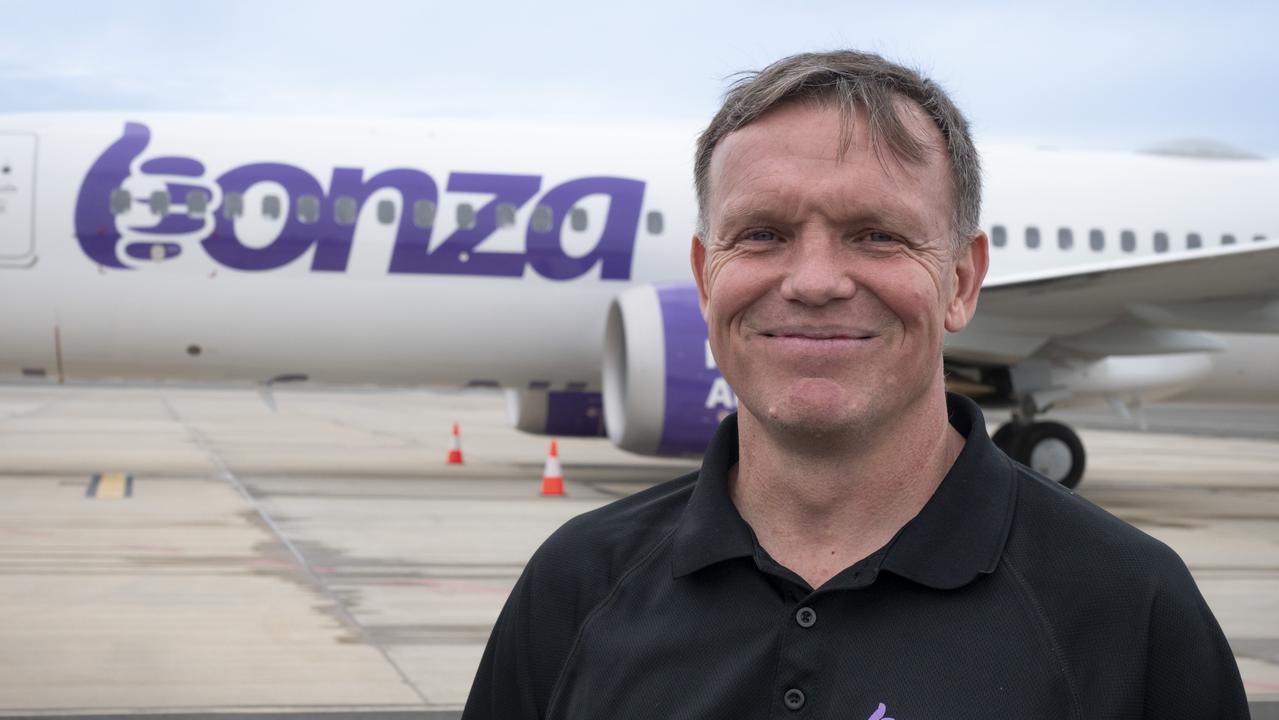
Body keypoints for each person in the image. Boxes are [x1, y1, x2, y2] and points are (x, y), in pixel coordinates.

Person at [462, 50, 1249, 719]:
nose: (812, 281)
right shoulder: (574, 586)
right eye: (763, 234)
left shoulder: (1129, 606)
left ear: (961, 281)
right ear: (706, 278)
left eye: (875, 235)